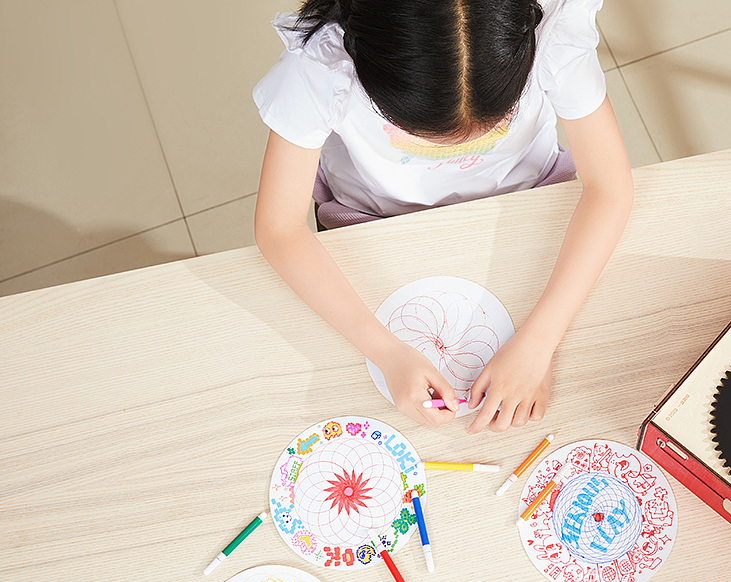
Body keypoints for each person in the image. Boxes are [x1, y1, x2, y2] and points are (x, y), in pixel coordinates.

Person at [252, 0, 632, 434]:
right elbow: (278, 229)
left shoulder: (553, 29)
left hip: (524, 204)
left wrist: (540, 342)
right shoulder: (320, 65)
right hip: (376, 219)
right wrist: (387, 353)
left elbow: (610, 188)